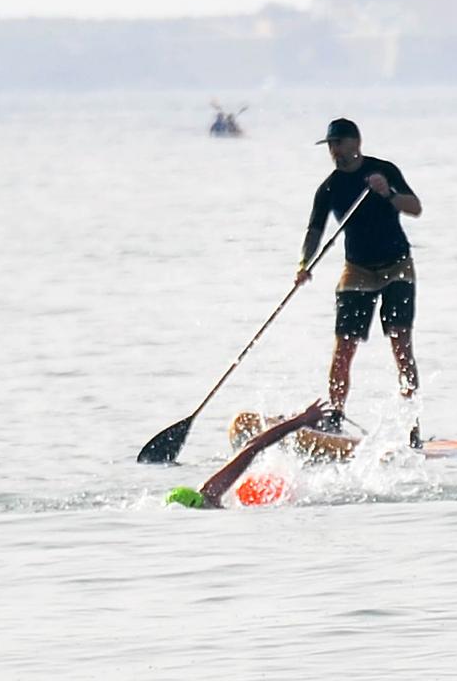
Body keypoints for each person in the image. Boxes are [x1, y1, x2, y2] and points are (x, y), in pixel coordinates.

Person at [295, 117, 423, 446]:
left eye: (339, 144)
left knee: (401, 346)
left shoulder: (384, 170)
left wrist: (388, 192)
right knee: (343, 349)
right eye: (331, 146)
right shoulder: (329, 187)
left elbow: (415, 208)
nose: (335, 151)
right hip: (358, 270)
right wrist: (304, 264)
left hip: (397, 267)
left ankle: (413, 427)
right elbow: (314, 231)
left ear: (356, 143)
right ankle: (335, 417)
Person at [167, 401, 330, 508]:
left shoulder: (210, 492)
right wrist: (301, 420)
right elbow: (254, 445)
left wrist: (300, 420)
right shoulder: (210, 494)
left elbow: (253, 446)